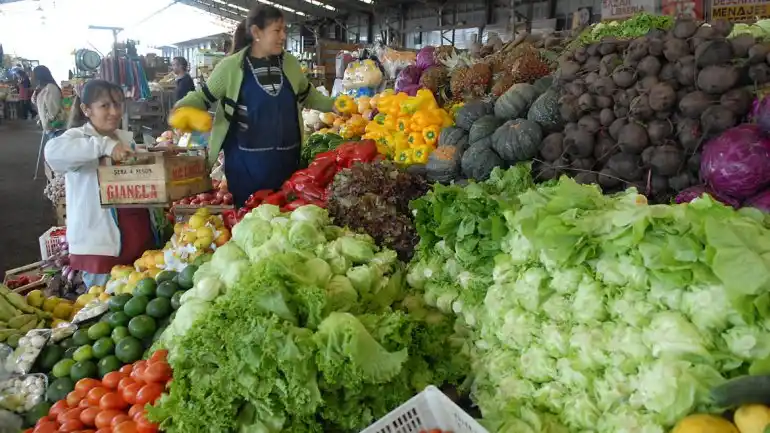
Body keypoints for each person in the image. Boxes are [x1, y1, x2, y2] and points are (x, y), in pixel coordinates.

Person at [174, 4, 336, 208]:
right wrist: (182, 108)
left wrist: (333, 105)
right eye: (277, 30)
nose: (283, 36)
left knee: (288, 217)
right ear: (257, 33)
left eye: (284, 30)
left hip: (288, 164)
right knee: (250, 217)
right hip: (246, 169)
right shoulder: (231, 67)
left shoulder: (290, 64)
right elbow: (202, 97)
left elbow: (308, 94)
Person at [44, 80, 155, 289]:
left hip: (137, 238)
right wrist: (105, 146)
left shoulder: (125, 140)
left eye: (118, 104)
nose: (114, 112)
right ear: (86, 109)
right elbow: (52, 153)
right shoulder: (77, 138)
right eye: (105, 106)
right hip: (101, 247)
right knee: (105, 302)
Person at [31, 65, 66, 138]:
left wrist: (46, 122)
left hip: (55, 128)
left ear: (40, 75)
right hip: (48, 127)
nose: (31, 77)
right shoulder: (40, 87)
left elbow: (53, 111)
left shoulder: (51, 88)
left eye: (33, 74)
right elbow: (35, 101)